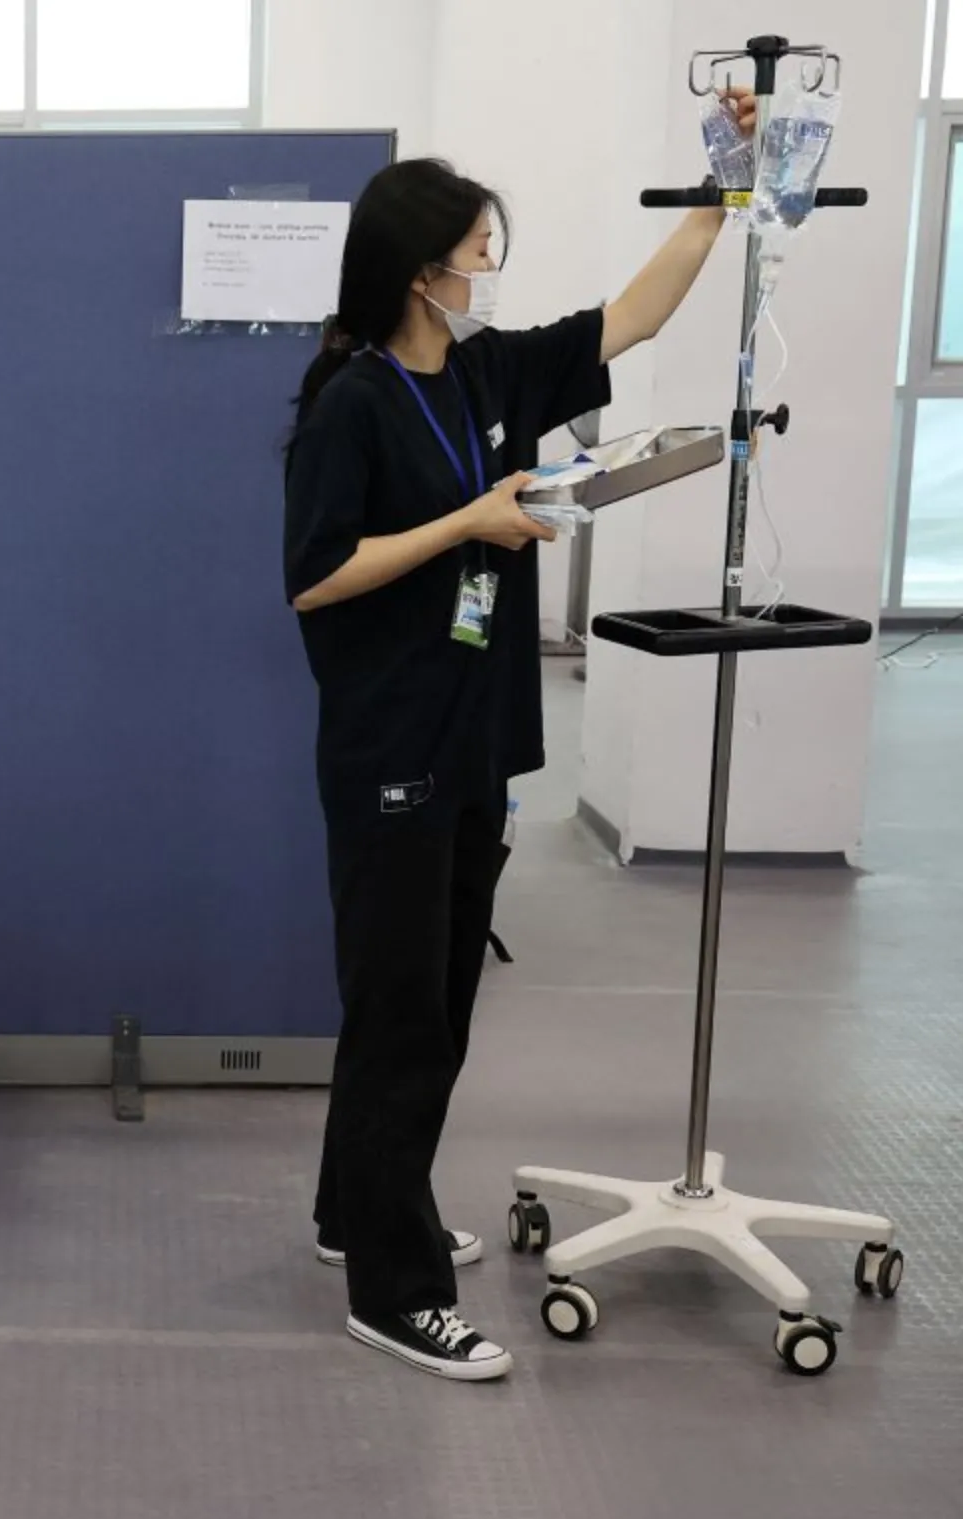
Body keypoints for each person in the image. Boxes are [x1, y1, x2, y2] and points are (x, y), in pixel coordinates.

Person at [281, 93, 754, 1381]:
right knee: (404, 1020)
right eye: (478, 251)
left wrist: (723, 190)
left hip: (477, 735)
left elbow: (635, 314)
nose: (490, 269)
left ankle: (350, 1212)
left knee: (430, 998)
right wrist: (469, 525)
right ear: (418, 271)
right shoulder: (351, 403)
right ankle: (395, 1289)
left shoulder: (489, 372)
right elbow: (317, 575)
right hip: (390, 751)